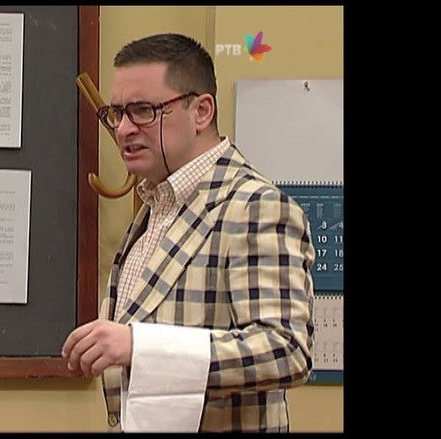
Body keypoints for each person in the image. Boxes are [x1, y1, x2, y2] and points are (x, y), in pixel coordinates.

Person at [61, 33, 315, 433]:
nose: (124, 128)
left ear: (201, 111)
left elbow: (286, 350)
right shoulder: (156, 206)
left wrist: (141, 347)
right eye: (117, 113)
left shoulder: (254, 206)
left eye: (143, 110)